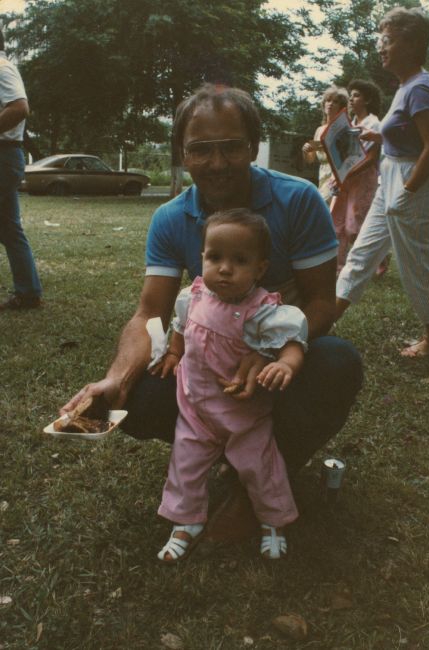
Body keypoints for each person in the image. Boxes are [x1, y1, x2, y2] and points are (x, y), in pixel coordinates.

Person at [62, 84, 362, 536]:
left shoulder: (298, 199)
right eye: (201, 150)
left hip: (280, 358)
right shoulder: (170, 217)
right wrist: (117, 377)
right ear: (183, 153)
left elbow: (322, 301)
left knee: (339, 362)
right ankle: (233, 454)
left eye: (231, 147)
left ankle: (258, 480)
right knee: (136, 399)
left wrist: (272, 352)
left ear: (251, 146)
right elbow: (151, 314)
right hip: (211, 366)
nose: (217, 163)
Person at [156, 209, 308, 562]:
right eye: (215, 257)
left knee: (260, 466)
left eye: (239, 260)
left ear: (260, 268)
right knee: (185, 463)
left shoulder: (262, 311)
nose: (224, 268)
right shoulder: (192, 296)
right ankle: (186, 520)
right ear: (202, 257)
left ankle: (273, 520)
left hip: (244, 413)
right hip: (195, 408)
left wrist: (286, 363)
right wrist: (174, 353)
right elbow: (180, 326)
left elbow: (292, 342)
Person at [336, 7, 429, 358]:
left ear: (411, 44)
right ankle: (322, 321)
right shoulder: (405, 86)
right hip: (392, 176)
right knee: (361, 254)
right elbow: (406, 135)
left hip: (413, 180)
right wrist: (377, 134)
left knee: (415, 262)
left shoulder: (422, 87)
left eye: (388, 40)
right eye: (380, 39)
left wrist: (409, 190)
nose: (380, 47)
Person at [0, 29, 42, 310]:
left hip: (2, 154)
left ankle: (28, 292)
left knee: (9, 227)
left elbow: (20, 107)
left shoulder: (1, 68)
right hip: (6, 154)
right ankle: (28, 292)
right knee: (8, 227)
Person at [330, 80, 382, 273]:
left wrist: (348, 172)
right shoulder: (349, 122)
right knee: (338, 222)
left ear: (367, 99)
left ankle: (380, 258)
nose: (351, 99)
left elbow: (371, 158)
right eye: (350, 95)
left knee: (355, 225)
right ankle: (339, 265)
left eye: (357, 95)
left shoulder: (374, 123)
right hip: (345, 177)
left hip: (362, 179)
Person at [302, 86, 348, 205]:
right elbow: (310, 160)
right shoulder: (319, 130)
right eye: (328, 100)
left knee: (321, 207)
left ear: (341, 107)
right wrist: (306, 151)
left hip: (336, 176)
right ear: (323, 105)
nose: (330, 104)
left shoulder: (344, 129)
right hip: (322, 177)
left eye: (335, 101)